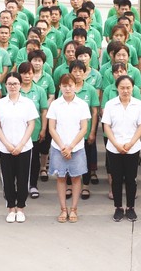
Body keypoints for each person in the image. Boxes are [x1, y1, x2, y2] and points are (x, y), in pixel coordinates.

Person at [0, 72, 39, 223]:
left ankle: (21, 208)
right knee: (8, 179)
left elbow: (31, 124)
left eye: (15, 83)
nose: (12, 86)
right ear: (5, 85)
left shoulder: (28, 103)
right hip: (5, 148)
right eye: (10, 84)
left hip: (24, 147)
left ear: (20, 85)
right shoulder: (0, 104)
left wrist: (21, 144)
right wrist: (7, 144)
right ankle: (11, 208)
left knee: (23, 178)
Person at [102, 74, 141, 222]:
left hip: (132, 148)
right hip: (114, 148)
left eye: (128, 87)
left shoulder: (138, 105)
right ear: (117, 88)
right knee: (116, 179)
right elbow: (106, 126)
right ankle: (118, 208)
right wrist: (116, 144)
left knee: (131, 179)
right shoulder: (110, 104)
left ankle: (130, 208)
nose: (125, 91)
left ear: (133, 88)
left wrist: (130, 143)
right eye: (122, 88)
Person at [47, 74, 92, 223]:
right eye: (64, 85)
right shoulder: (55, 104)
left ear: (75, 86)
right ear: (60, 87)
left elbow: (84, 128)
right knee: (61, 178)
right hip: (58, 147)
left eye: (70, 85)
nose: (67, 88)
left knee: (76, 178)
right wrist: (62, 147)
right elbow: (51, 128)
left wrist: (71, 146)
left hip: (76, 147)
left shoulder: (82, 104)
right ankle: (63, 209)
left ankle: (74, 209)